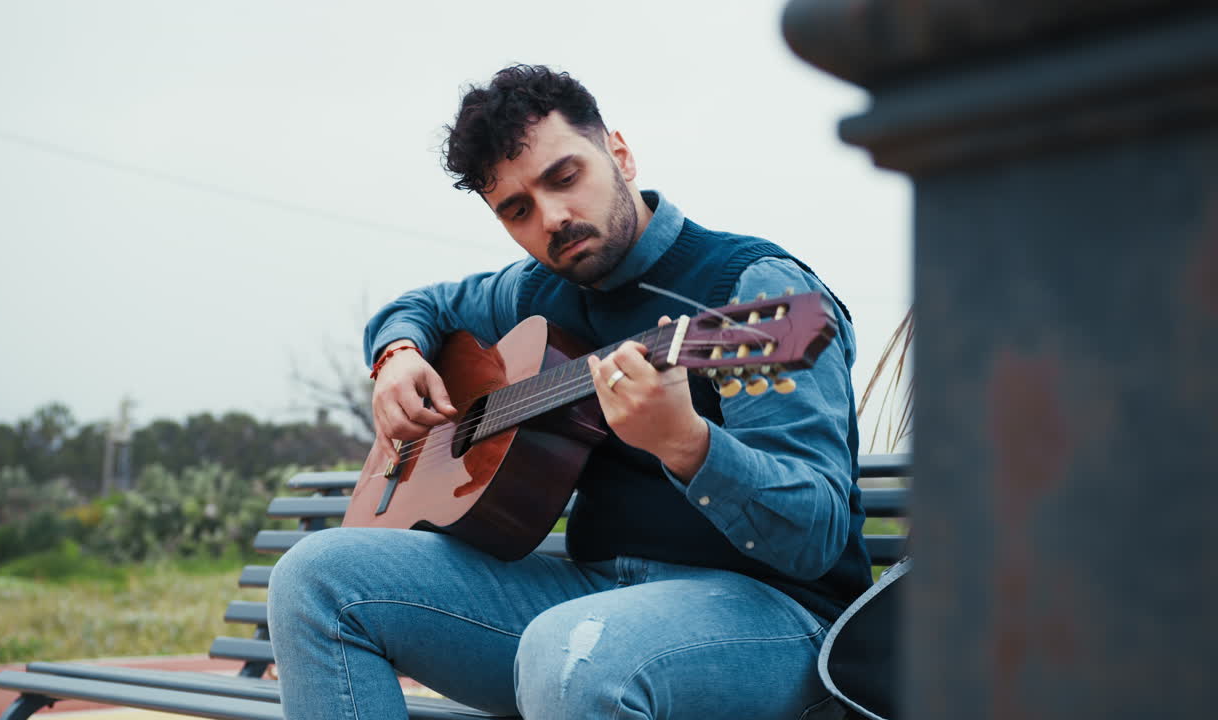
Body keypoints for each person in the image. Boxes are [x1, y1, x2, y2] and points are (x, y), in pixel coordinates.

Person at [267, 64, 871, 720]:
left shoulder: (752, 292)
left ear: (619, 152)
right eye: (518, 210)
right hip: (592, 597)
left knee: (570, 653)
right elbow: (426, 305)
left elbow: (812, 536)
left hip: (775, 619)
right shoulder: (535, 291)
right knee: (313, 579)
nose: (553, 219)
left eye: (565, 177)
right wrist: (397, 353)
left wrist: (689, 446)